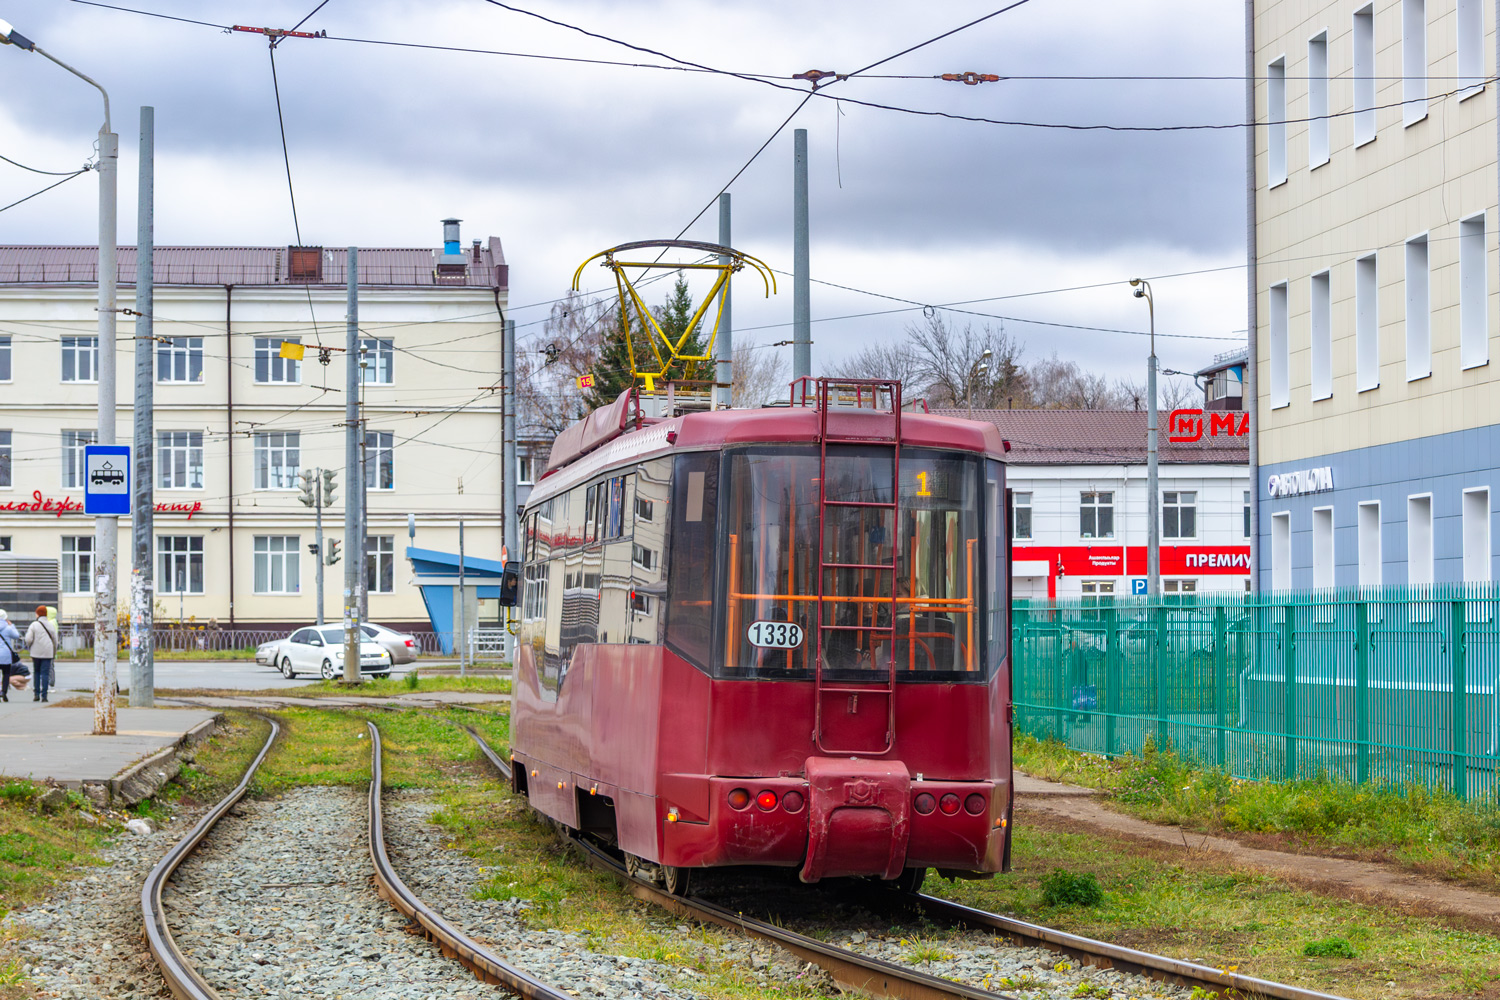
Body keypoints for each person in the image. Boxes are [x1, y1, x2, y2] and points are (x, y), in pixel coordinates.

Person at [24, 605, 56, 703]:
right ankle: (44, 696)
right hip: (48, 652)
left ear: (37, 614)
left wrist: (29, 646)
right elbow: (55, 640)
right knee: (45, 673)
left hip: (36, 652)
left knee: (37, 672)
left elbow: (28, 639)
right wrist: (53, 652)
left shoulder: (34, 625)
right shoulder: (51, 625)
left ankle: (36, 694)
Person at [0, 610, 20, 702]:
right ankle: (4, 692)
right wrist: (12, 626)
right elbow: (16, 636)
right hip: (5, 655)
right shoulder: (8, 628)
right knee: (6, 674)